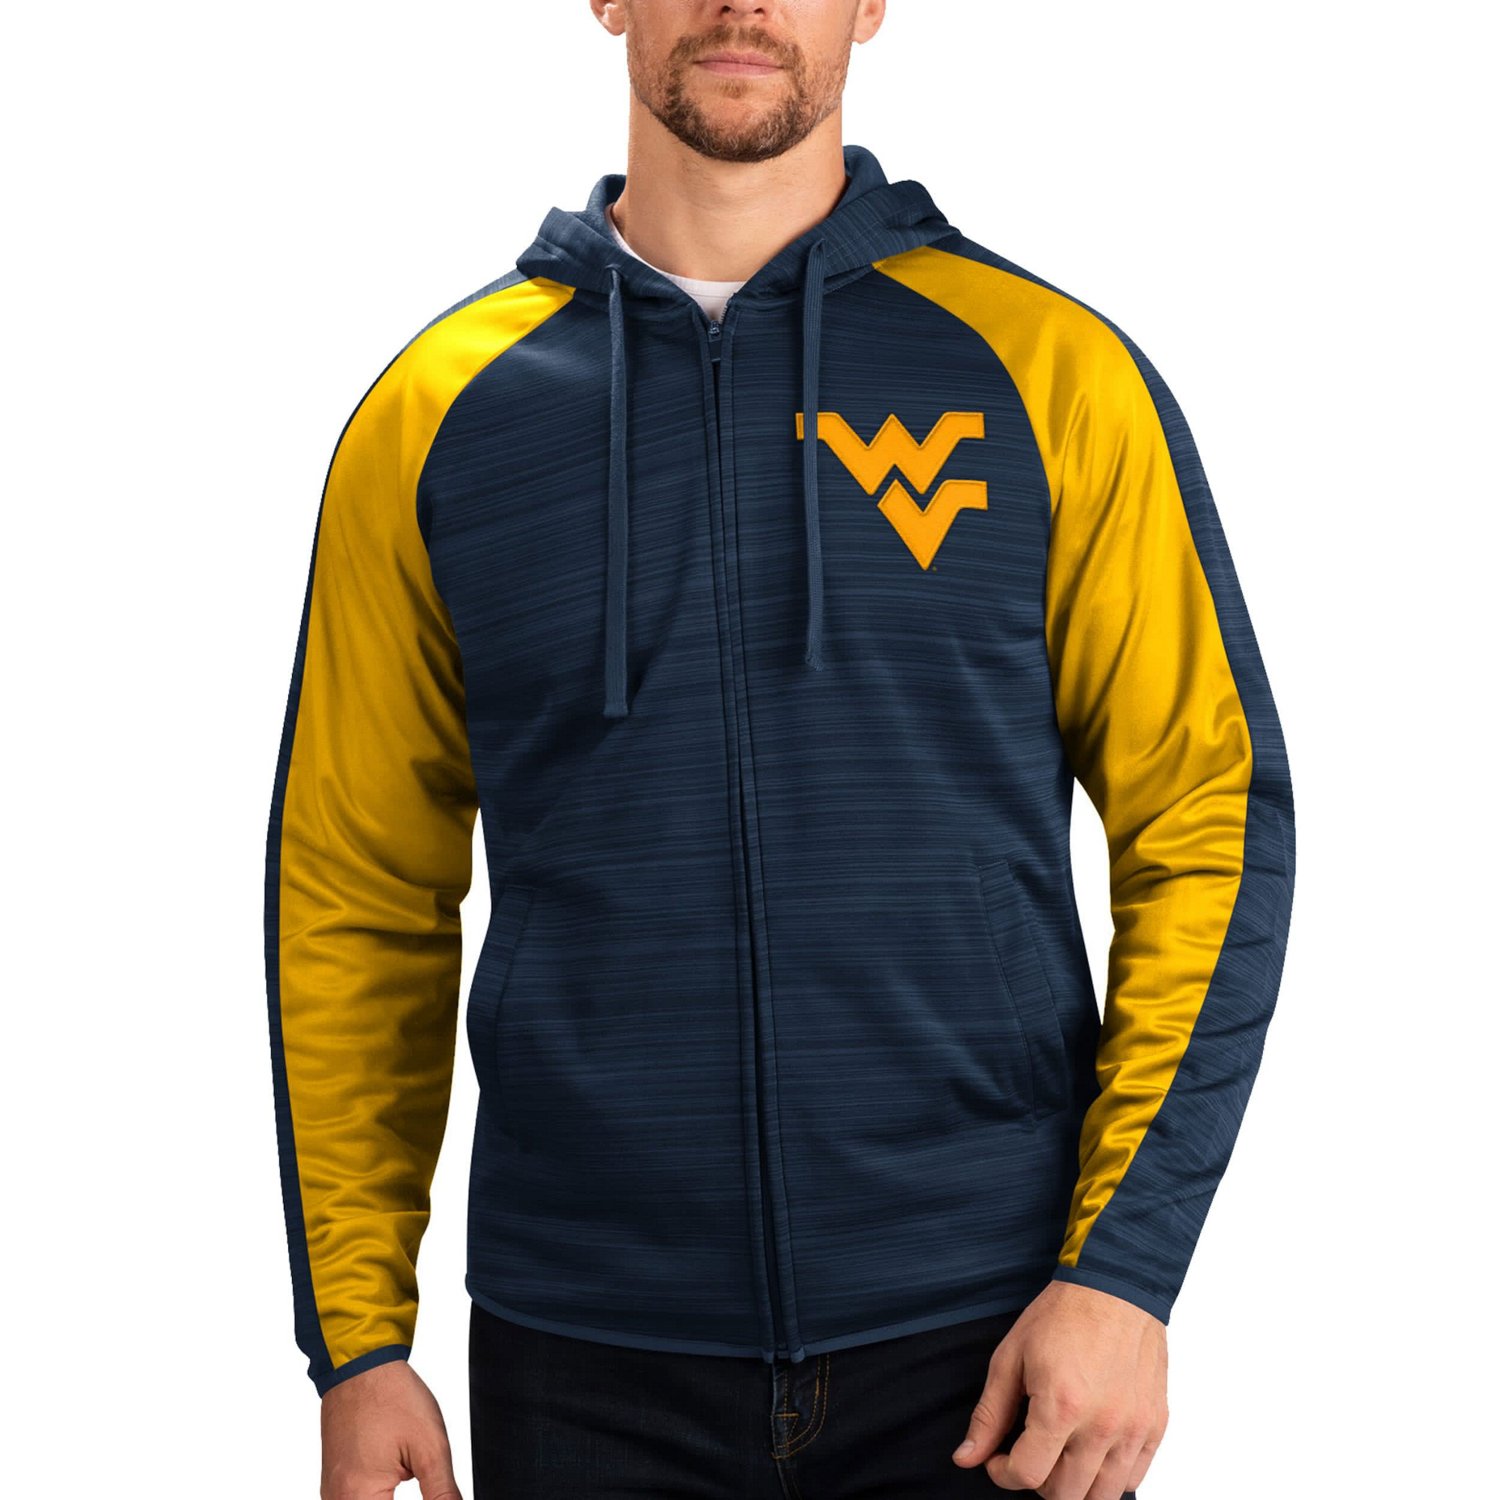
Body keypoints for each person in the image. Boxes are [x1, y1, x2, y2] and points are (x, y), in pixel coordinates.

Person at [262, 2, 1297, 1495]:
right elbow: (352, 888)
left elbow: (1208, 817)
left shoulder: (1048, 375)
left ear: (870, 4)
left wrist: (1125, 1272)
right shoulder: (437, 415)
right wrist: (359, 1340)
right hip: (584, 1348)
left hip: (995, 1338)